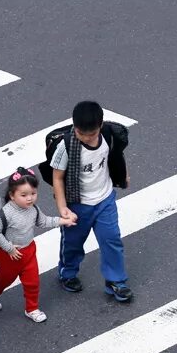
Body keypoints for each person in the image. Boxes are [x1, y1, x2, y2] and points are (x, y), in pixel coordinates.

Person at [49, 100, 133, 302]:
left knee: (111, 240)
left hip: (105, 200)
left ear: (100, 126)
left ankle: (116, 281)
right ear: (74, 127)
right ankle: (67, 273)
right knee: (72, 243)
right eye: (82, 134)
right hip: (78, 204)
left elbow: (116, 157)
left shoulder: (108, 136)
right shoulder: (66, 146)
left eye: (91, 134)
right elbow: (57, 178)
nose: (87, 137)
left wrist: (124, 176)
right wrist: (62, 208)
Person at [0, 167, 76, 322]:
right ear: (12, 195)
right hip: (8, 256)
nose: (30, 198)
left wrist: (64, 221)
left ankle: (32, 309)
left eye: (33, 193)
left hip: (28, 251)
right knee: (2, 281)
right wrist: (9, 248)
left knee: (32, 282)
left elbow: (44, 221)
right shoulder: (5, 214)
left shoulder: (34, 209)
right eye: (24, 195)